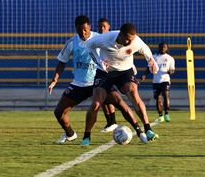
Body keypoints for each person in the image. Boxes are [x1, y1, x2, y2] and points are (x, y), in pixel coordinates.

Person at [50, 15, 147, 144]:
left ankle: (140, 132)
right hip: (80, 84)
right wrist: (55, 80)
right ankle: (70, 134)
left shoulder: (99, 38)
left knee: (121, 105)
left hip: (100, 81)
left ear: (89, 27)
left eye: (85, 30)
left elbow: (119, 53)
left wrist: (129, 66)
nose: (83, 33)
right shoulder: (72, 42)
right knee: (59, 112)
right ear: (76, 29)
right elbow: (62, 62)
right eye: (80, 30)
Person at [81, 23, 159, 146]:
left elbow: (146, 50)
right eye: (127, 39)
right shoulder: (106, 38)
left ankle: (148, 129)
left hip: (125, 72)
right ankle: (86, 136)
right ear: (120, 35)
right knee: (96, 103)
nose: (129, 42)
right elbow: (89, 46)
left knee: (133, 91)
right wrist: (98, 61)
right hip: (105, 73)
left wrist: (152, 62)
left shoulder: (136, 41)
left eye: (131, 39)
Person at [141, 42, 175, 123]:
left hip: (165, 80)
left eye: (164, 47)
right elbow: (149, 68)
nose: (163, 48)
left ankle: (166, 113)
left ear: (167, 48)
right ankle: (160, 115)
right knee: (158, 99)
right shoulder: (153, 57)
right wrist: (144, 75)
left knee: (165, 95)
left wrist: (171, 71)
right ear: (158, 47)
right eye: (161, 47)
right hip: (156, 81)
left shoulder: (170, 58)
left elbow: (173, 69)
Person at [97, 18, 118, 133]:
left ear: (109, 26)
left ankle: (113, 122)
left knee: (108, 98)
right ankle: (110, 122)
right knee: (102, 99)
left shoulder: (112, 37)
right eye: (100, 26)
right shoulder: (96, 39)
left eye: (104, 26)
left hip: (111, 73)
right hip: (99, 73)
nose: (101, 28)